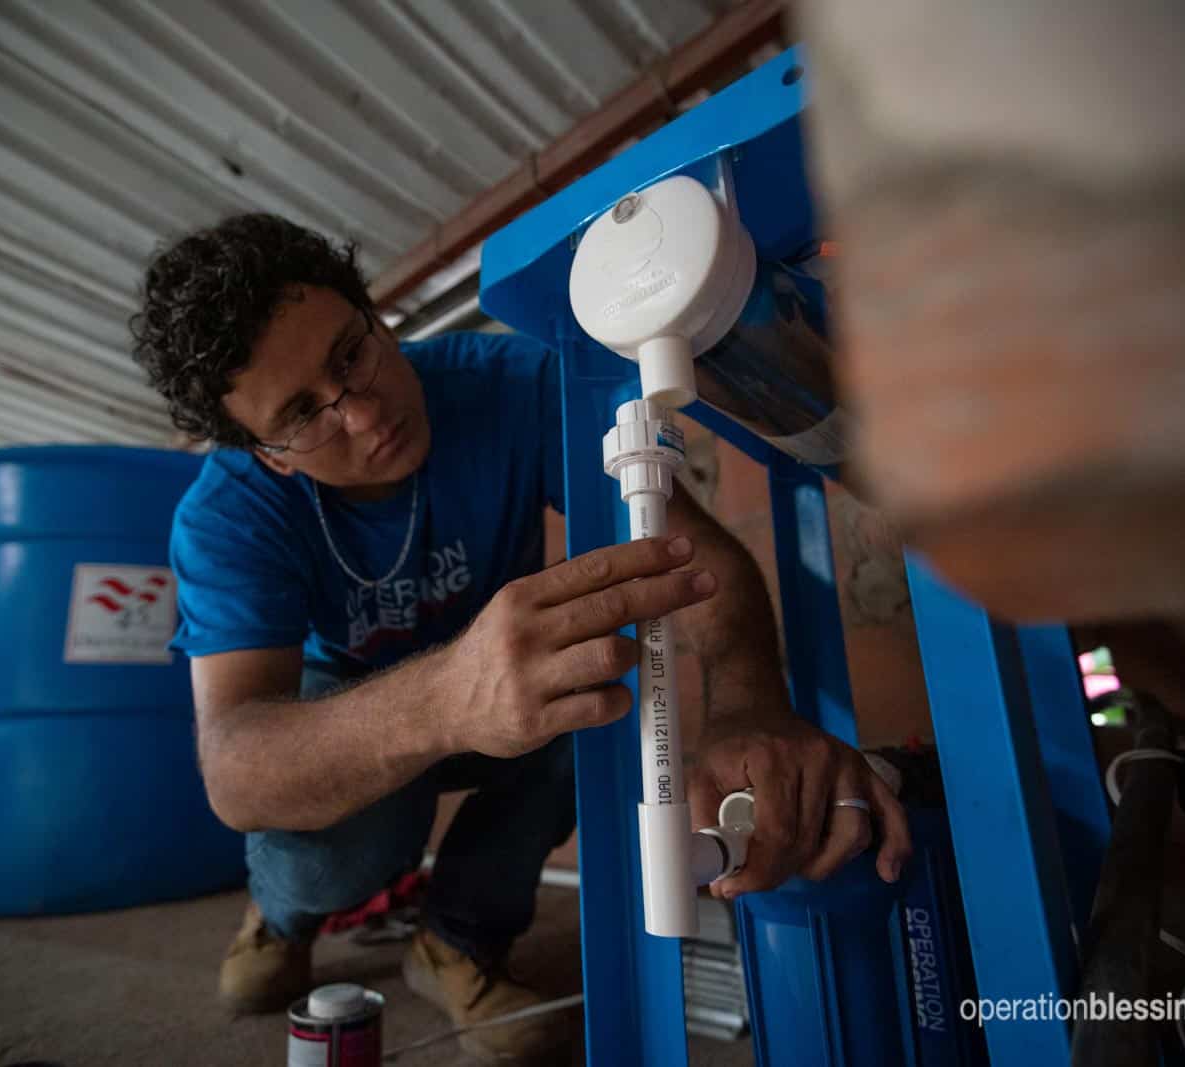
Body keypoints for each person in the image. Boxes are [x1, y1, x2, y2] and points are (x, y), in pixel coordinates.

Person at [130, 214, 911, 1063]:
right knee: (344, 850)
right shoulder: (225, 515)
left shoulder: (518, 384)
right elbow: (237, 766)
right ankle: (282, 918)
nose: (361, 414)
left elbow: (690, 560)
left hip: (504, 688)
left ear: (376, 313)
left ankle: (456, 940)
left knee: (605, 700)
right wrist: (439, 700)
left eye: (350, 354)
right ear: (269, 455)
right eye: (303, 414)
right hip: (356, 712)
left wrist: (752, 706)